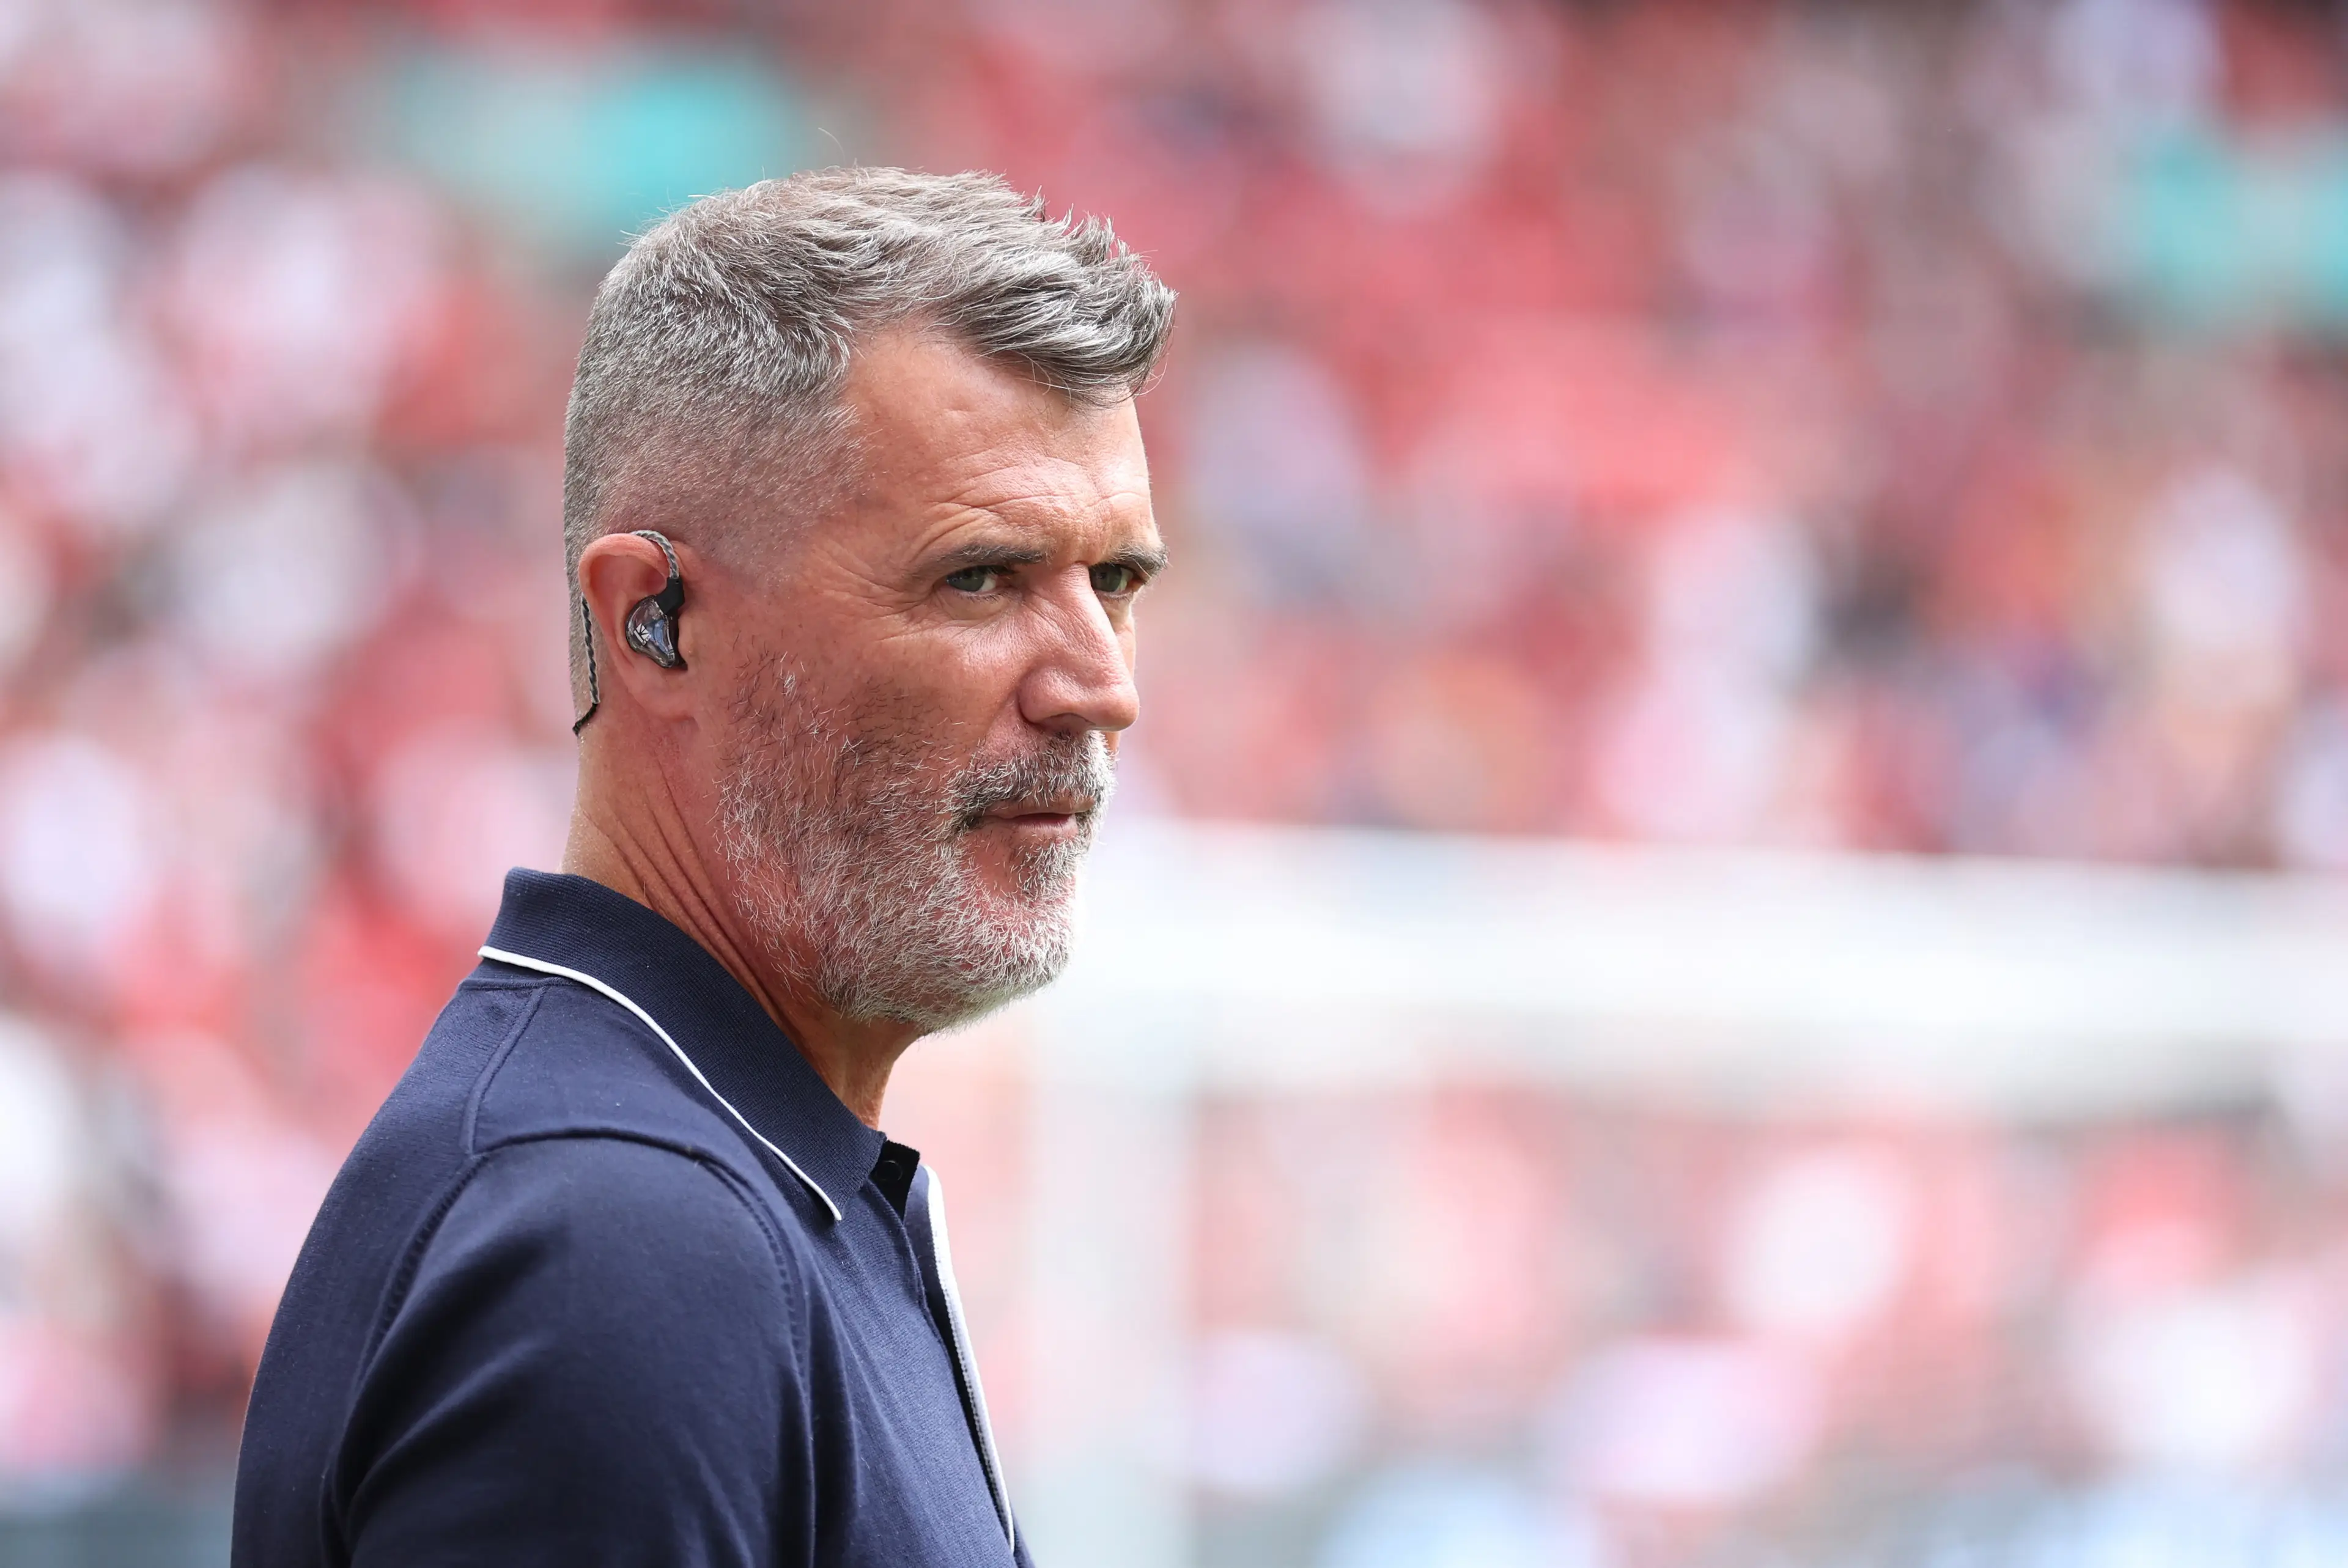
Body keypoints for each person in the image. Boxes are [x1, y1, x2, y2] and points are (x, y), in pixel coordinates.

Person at [231, 167, 1175, 1567]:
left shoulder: (720, 1176)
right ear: (653, 622)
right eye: (979, 577)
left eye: (1117, 583)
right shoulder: (618, 1241)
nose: (1102, 688)